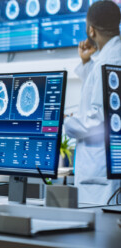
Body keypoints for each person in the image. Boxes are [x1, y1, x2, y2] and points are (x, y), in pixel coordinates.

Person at [64, 1, 121, 205]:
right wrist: (88, 63)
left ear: (91, 30)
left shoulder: (107, 62)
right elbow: (104, 96)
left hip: (100, 173)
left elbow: (98, 119)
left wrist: (67, 123)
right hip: (106, 169)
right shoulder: (111, 56)